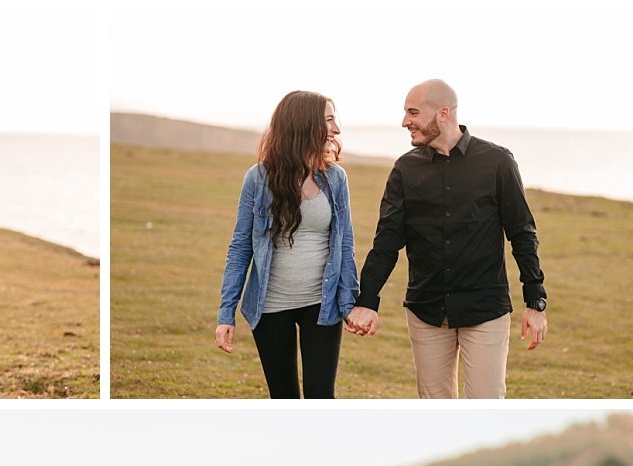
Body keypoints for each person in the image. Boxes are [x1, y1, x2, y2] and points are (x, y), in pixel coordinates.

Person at [344, 79, 548, 398]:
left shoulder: (497, 161)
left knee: (485, 402)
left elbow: (522, 232)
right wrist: (367, 301)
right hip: (426, 310)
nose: (405, 122)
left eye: (413, 112)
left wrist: (535, 301)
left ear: (442, 113)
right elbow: (386, 241)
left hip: (485, 308)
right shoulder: (405, 170)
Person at [215, 91, 359, 399]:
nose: (336, 129)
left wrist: (349, 305)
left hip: (322, 305)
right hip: (270, 307)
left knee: (322, 396)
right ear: (304, 125)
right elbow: (240, 247)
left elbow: (345, 245)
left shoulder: (336, 178)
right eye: (329, 120)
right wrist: (226, 313)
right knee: (284, 398)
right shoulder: (258, 179)